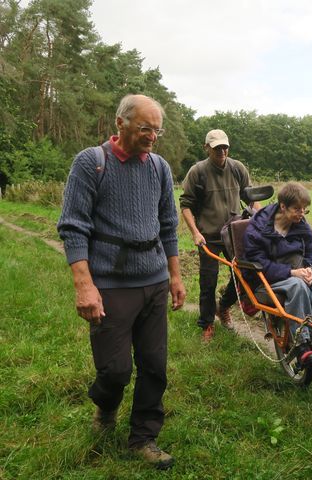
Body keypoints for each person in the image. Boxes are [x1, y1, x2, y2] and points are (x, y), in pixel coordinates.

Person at [57, 94, 186, 469]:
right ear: (120, 123)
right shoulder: (91, 163)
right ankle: (106, 404)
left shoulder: (159, 168)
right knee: (115, 370)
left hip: (155, 279)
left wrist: (175, 276)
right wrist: (85, 284)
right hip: (111, 283)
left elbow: (168, 226)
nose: (152, 137)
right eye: (145, 128)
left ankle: (144, 437)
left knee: (154, 365)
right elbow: (73, 226)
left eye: (156, 130)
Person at [243, 182, 312, 365]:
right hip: (265, 280)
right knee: (297, 285)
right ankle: (302, 344)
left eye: (304, 210)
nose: (302, 214)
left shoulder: (300, 224)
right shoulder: (258, 229)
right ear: (282, 206)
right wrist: (291, 272)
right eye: (297, 209)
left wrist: (310, 268)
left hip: (296, 271)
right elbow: (258, 264)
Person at [179, 129, 257, 342]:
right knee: (208, 280)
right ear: (207, 148)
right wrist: (195, 233)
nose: (222, 151)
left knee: (243, 274)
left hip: (234, 232)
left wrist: (258, 221)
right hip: (209, 235)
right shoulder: (198, 172)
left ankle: (223, 307)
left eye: (224, 147)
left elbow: (251, 197)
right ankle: (207, 324)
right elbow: (185, 205)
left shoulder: (238, 168)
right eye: (216, 148)